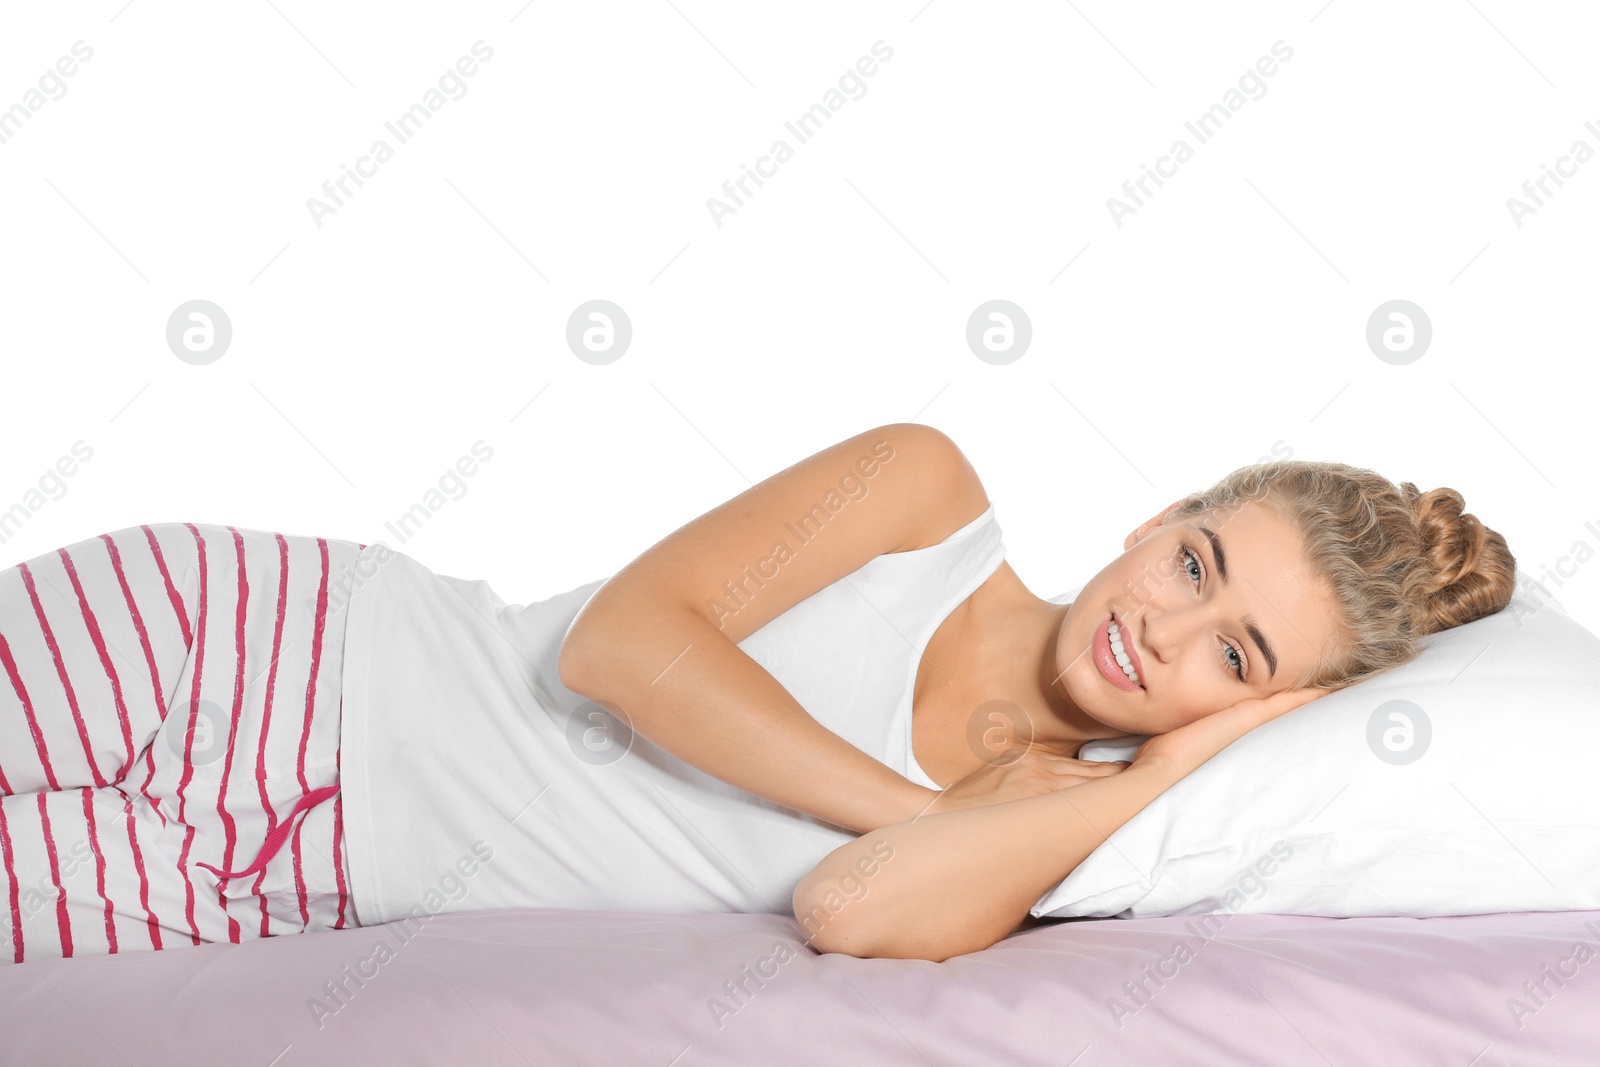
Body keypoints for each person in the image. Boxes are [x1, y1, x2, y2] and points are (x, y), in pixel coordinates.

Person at [0, 423, 1516, 965]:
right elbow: (620, 647)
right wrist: (923, 811)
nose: (1163, 631)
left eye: (1236, 657)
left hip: (287, 887)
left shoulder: (1060, 834)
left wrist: (1178, 772)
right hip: (267, 651)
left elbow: (851, 911)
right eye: (1192, 564)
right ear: (1153, 518)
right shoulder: (930, 501)